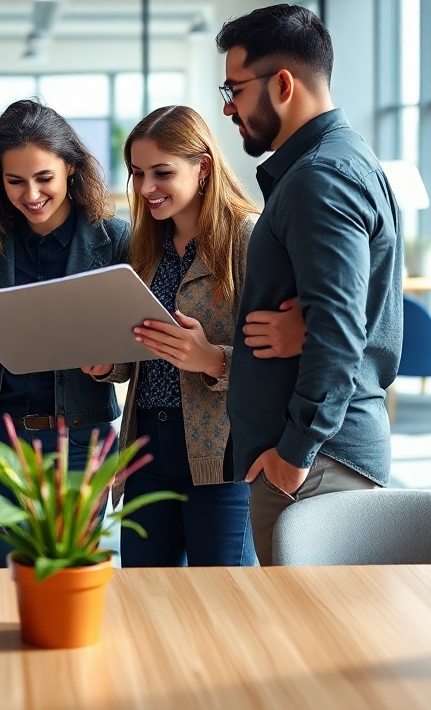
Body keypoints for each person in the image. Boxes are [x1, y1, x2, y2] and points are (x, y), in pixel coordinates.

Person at [216, 4, 403, 566]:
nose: (228, 107)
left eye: (235, 89)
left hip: (315, 462)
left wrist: (293, 454)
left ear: (282, 83)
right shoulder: (341, 162)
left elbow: (342, 331)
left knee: (312, 641)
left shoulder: (320, 178)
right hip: (319, 458)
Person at [84, 105, 304, 566]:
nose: (146, 189)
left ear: (203, 166)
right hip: (144, 447)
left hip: (222, 455)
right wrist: (111, 365)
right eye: (137, 173)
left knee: (223, 604)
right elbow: (141, 346)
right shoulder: (145, 245)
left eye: (162, 173)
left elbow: (285, 356)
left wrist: (214, 360)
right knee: (148, 600)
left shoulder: (248, 237)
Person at [0, 99, 129, 565]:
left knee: (74, 575)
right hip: (0, 438)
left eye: (44, 178)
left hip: (83, 438)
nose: (30, 194)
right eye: (15, 181)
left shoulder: (115, 238)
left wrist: (111, 365)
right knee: (16, 573)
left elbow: (138, 344)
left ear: (70, 167)